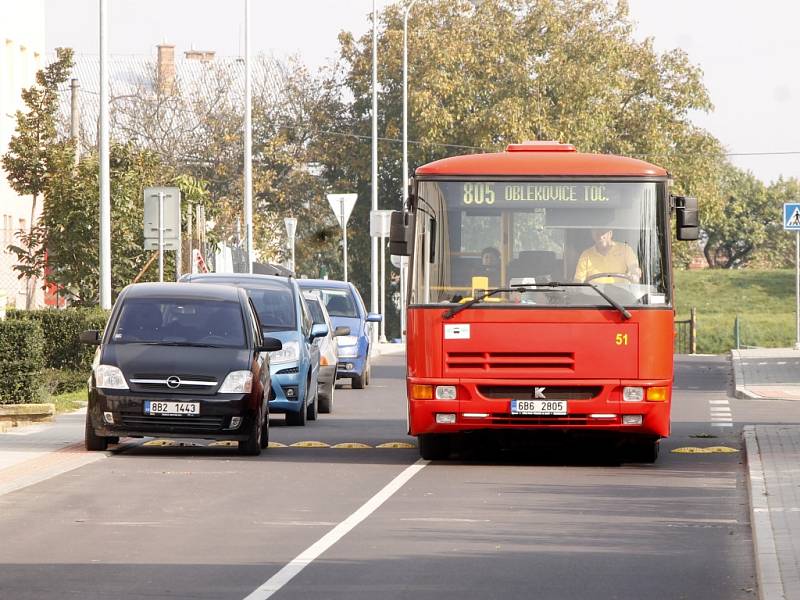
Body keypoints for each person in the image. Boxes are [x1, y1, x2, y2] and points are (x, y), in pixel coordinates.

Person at [573, 229, 641, 283]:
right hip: (593, 297)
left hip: (621, 297)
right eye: (597, 234)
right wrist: (576, 288)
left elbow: (634, 267)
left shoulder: (625, 250)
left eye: (602, 233)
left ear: (610, 233)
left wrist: (635, 274)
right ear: (592, 235)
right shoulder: (586, 255)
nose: (600, 237)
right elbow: (578, 280)